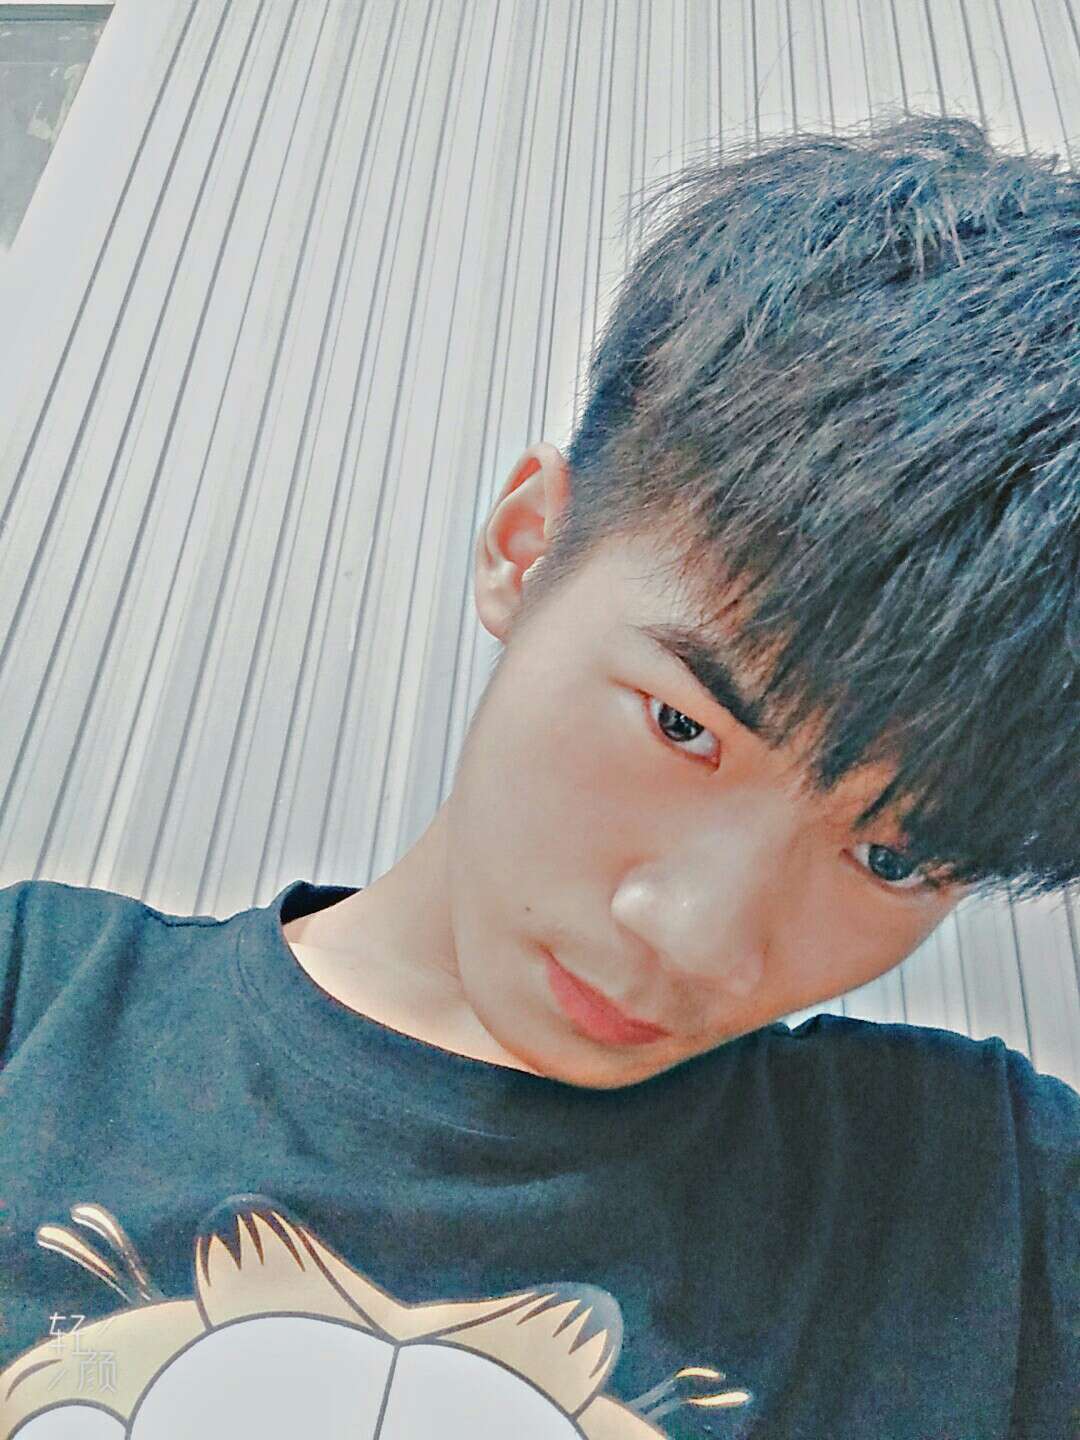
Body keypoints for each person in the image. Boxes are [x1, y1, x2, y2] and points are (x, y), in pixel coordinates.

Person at [0, 110, 1077, 1438]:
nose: (700, 939)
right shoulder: (31, 1006)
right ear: (526, 548)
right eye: (682, 726)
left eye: (890, 858)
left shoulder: (994, 1204)